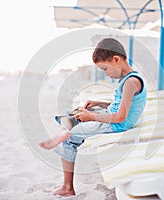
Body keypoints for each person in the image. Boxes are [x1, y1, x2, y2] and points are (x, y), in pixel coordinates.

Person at [39, 38, 147, 197]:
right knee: (76, 113)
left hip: (117, 124)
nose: (106, 74)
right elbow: (121, 105)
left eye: (105, 69)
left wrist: (92, 116)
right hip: (113, 117)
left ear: (116, 60)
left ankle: (67, 187)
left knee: (71, 138)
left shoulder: (130, 82)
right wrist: (98, 103)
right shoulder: (130, 79)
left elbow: (120, 116)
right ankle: (70, 122)